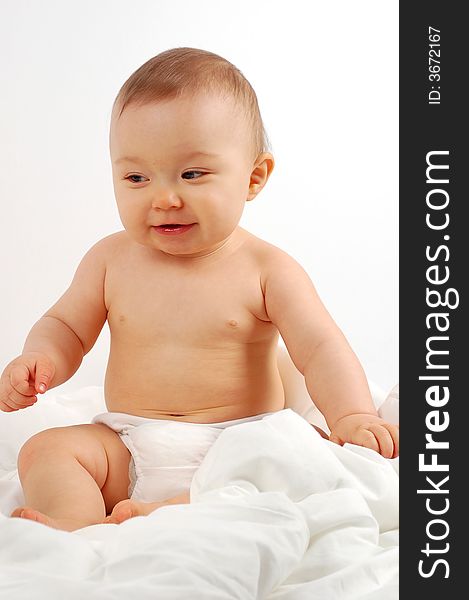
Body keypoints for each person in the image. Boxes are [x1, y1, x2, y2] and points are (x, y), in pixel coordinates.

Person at [0, 48, 399, 531]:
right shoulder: (109, 259)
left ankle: (169, 513)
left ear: (253, 178)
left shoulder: (267, 268)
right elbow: (66, 326)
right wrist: (40, 359)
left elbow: (319, 348)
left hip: (238, 442)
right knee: (47, 449)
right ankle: (75, 522)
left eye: (192, 174)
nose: (164, 198)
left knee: (303, 458)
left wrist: (353, 414)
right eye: (136, 177)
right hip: (130, 442)